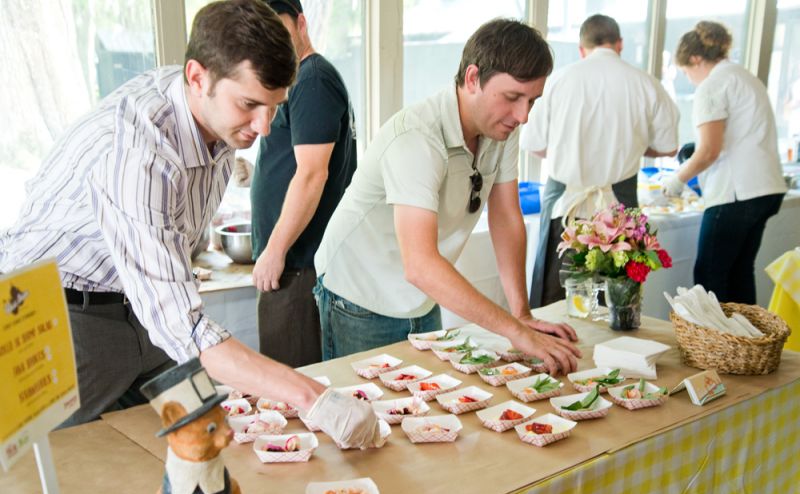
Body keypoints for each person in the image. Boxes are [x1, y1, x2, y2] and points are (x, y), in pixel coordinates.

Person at [0, 0, 381, 449]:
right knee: (72, 477)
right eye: (250, 105)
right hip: (65, 318)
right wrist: (315, 397)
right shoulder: (139, 153)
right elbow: (186, 329)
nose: (263, 126)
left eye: (275, 107)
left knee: (205, 447)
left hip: (142, 311)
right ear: (198, 77)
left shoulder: (213, 114)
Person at [313, 18, 581, 376]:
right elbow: (421, 265)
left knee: (429, 410)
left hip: (421, 296)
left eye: (532, 100)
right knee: (370, 416)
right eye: (513, 97)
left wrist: (522, 314)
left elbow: (505, 218)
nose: (523, 115)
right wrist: (515, 333)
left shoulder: (501, 127)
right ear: (473, 78)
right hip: (360, 294)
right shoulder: (416, 137)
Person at [521, 14, 680, 308]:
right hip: (619, 201)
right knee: (617, 295)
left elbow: (534, 145)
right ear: (619, 44)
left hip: (565, 201)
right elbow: (669, 147)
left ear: (582, 48)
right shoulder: (646, 83)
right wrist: (634, 147)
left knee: (557, 294)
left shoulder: (559, 80)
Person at [250, 0, 356, 368]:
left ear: (301, 23)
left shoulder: (311, 80)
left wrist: (275, 251)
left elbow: (312, 173)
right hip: (292, 265)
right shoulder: (297, 81)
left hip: (297, 267)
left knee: (292, 395)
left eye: (277, 30)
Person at [662, 21, 787, 304]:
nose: (689, 78)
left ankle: (716, 347)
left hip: (737, 194)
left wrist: (677, 179)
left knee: (709, 277)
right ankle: (746, 345)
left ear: (695, 59)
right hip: (765, 189)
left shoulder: (712, 85)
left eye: (686, 71)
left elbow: (709, 150)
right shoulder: (744, 77)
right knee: (740, 273)